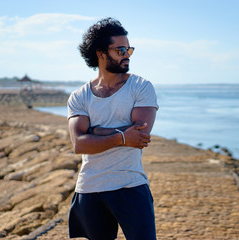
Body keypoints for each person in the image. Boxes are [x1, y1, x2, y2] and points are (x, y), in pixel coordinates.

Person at [67, 17, 158, 240]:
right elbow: (79, 144)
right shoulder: (80, 96)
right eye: (120, 49)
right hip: (89, 188)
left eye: (129, 49)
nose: (127, 54)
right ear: (100, 53)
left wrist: (96, 132)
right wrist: (121, 136)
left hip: (130, 186)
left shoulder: (141, 87)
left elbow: (140, 135)